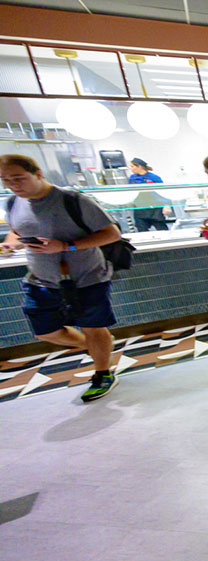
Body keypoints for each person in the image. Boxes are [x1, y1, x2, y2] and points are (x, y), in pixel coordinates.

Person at [1, 154, 122, 402]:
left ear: (38, 174)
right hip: (40, 279)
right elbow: (17, 231)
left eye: (18, 178)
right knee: (45, 331)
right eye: (5, 180)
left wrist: (67, 246)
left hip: (86, 277)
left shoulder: (72, 201)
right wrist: (10, 244)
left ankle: (103, 373)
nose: (13, 185)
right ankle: (97, 347)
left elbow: (111, 234)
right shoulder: (13, 203)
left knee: (93, 326)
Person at [128, 157, 169, 232]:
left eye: (132, 166)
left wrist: (166, 205)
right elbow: (130, 192)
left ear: (139, 166)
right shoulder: (132, 178)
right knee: (142, 231)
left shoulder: (154, 177)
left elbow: (163, 191)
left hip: (155, 208)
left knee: (162, 230)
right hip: (139, 208)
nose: (131, 168)